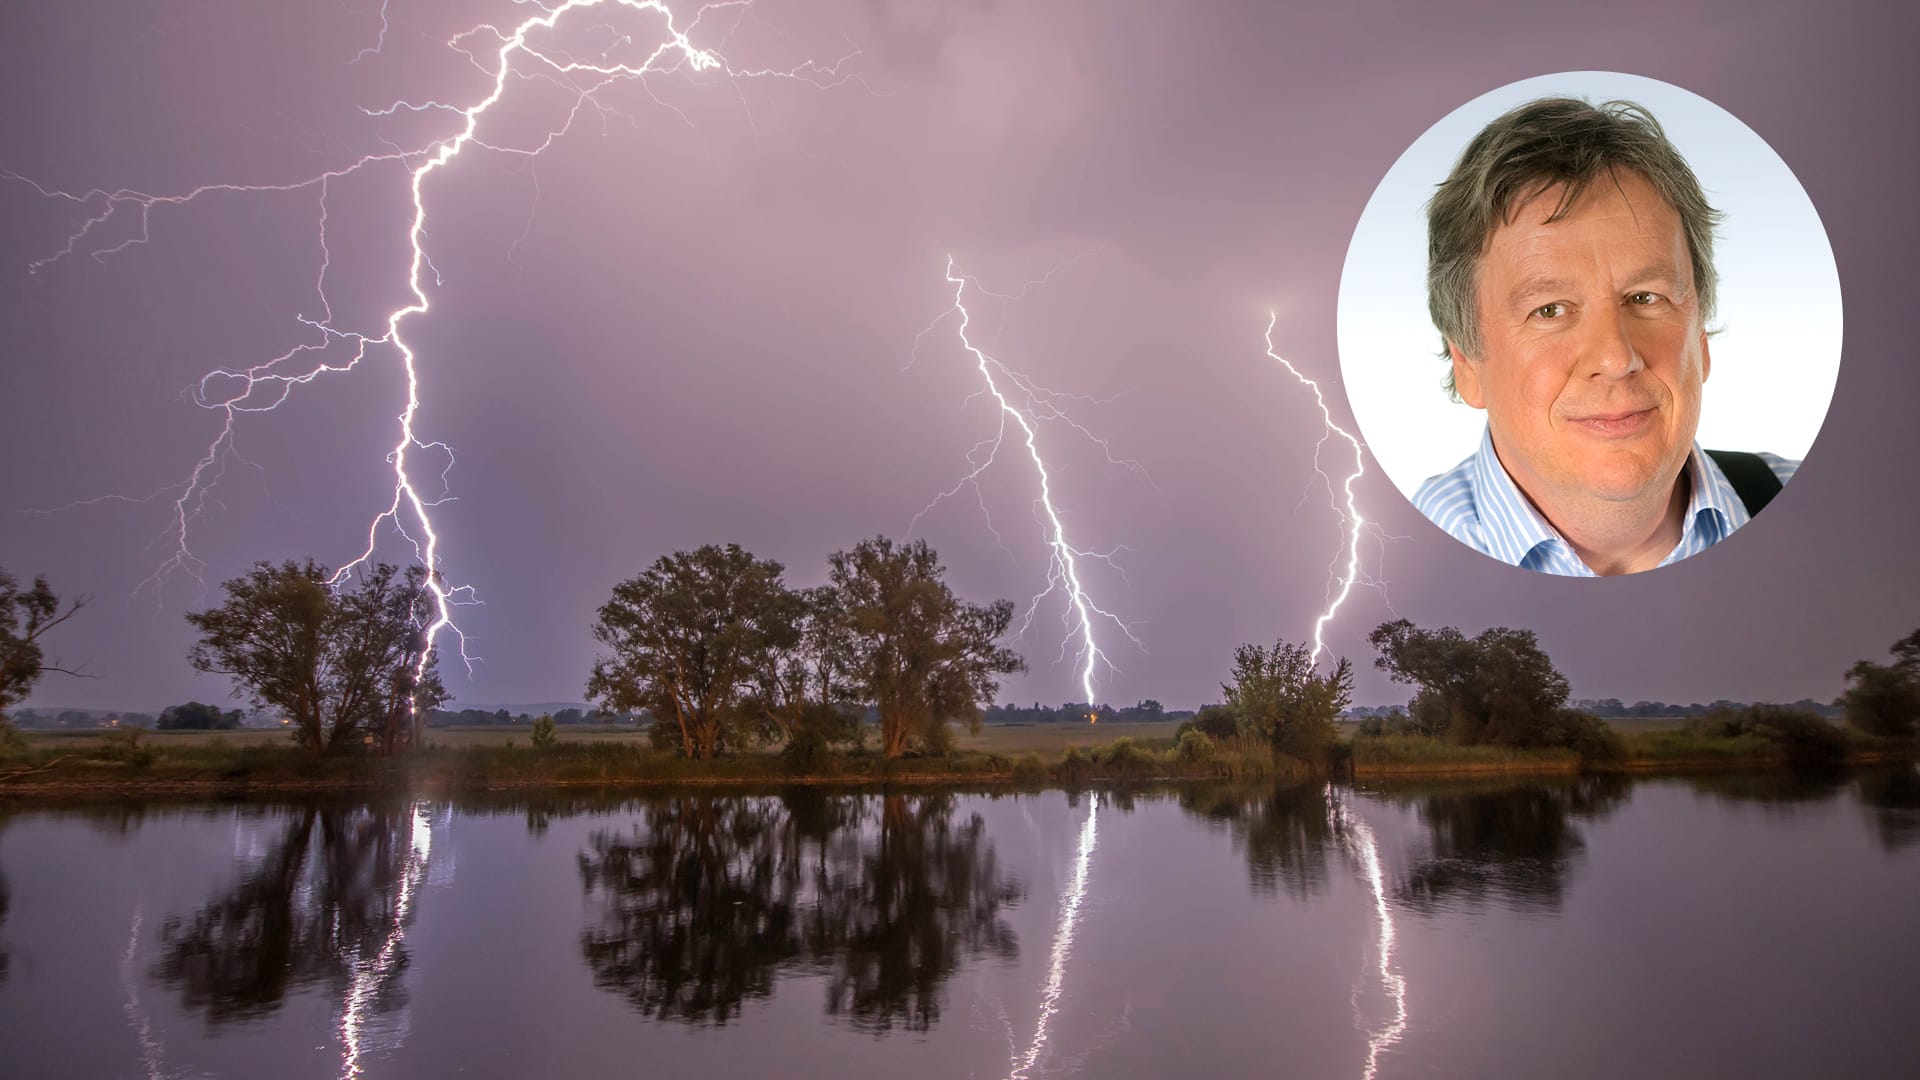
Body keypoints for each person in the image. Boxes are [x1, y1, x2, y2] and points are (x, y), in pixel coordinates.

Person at [1411, 97, 1796, 576]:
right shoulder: (1402, 561)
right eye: (1549, 310)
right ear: (1468, 364)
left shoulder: (1835, 512)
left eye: (1646, 298)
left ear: (1699, 335)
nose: (1616, 358)